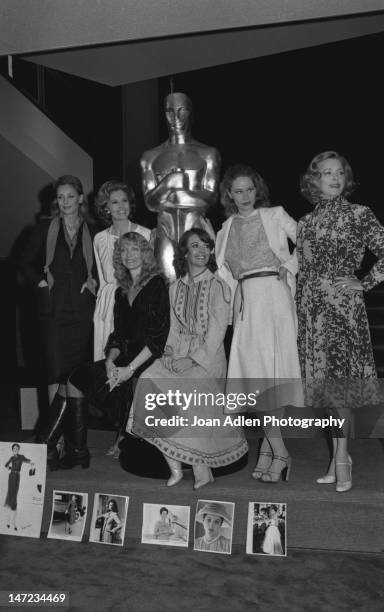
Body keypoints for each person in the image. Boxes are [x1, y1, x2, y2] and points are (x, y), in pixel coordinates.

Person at [131, 229, 248, 489]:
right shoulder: (175, 287)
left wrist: (192, 360)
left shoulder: (219, 286)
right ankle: (175, 466)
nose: (202, 251)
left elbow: (217, 334)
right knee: (149, 381)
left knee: (188, 391)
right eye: (195, 246)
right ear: (185, 252)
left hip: (208, 359)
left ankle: (200, 468)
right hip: (179, 353)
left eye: (206, 246)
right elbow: (171, 327)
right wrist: (170, 353)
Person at [297, 151, 384, 493]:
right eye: (326, 173)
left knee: (341, 391)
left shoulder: (359, 214)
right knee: (329, 395)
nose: (334, 178)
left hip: (343, 312)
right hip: (312, 314)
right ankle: (336, 458)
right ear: (314, 181)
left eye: (339, 173)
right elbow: (303, 271)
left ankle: (344, 458)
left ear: (346, 179)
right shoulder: (305, 222)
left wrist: (365, 281)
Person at [216, 164, 302, 483]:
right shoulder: (225, 228)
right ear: (229, 194)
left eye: (250, 189)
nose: (245, 196)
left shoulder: (276, 214)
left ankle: (277, 452)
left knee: (271, 377)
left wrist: (290, 265)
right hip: (246, 302)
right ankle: (272, 449)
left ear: (258, 189)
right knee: (255, 378)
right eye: (238, 191)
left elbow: (310, 242)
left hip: (274, 296)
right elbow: (222, 273)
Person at [66, 232, 170, 469]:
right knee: (75, 379)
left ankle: (124, 435)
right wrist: (110, 362)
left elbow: (158, 337)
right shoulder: (120, 292)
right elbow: (118, 335)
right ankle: (78, 451)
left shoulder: (157, 284)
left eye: (135, 249)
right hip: (122, 359)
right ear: (118, 256)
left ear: (145, 253)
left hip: (149, 359)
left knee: (131, 384)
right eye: (124, 250)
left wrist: (129, 369)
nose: (130, 255)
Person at [20, 175, 97, 470]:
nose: (64, 202)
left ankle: (76, 446)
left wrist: (95, 282)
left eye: (70, 196)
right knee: (55, 374)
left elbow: (104, 267)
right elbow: (24, 264)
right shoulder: (44, 228)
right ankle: (55, 443)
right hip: (52, 313)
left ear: (80, 198)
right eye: (60, 197)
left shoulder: (94, 230)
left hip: (82, 314)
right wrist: (40, 282)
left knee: (74, 377)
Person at [141, 92, 220, 280]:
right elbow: (150, 202)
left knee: (198, 284)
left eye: (181, 111)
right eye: (169, 111)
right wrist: (169, 182)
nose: (175, 118)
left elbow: (211, 197)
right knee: (167, 286)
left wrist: (174, 195)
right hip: (165, 228)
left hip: (195, 228)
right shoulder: (150, 156)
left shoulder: (207, 153)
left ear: (190, 113)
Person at [93, 180, 151, 362]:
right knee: (105, 363)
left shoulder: (147, 234)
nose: (121, 206)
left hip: (136, 302)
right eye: (114, 202)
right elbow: (102, 281)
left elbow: (152, 274)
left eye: (124, 200)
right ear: (106, 207)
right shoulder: (100, 239)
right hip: (107, 306)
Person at [4, 444, 34, 531]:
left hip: (17, 476)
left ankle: (12, 522)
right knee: (12, 496)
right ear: (12, 450)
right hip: (12, 476)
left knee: (14, 496)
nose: (15, 450)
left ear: (18, 449)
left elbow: (28, 460)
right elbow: (6, 465)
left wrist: (31, 462)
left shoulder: (21, 457)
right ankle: (10, 522)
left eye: (17, 448)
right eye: (14, 448)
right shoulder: (11, 458)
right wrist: (10, 469)